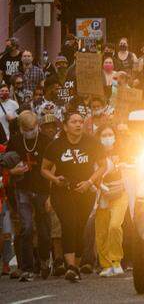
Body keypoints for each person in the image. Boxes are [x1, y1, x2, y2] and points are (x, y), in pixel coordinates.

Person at [41, 110, 106, 282]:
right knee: (69, 223)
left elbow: (103, 166)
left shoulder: (92, 142)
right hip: (62, 191)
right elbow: (44, 169)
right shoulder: (56, 145)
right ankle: (70, 266)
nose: (78, 124)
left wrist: (89, 183)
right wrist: (55, 179)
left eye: (80, 121)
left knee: (79, 226)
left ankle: (74, 267)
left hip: (85, 191)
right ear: (65, 126)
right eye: (74, 122)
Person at [3, 111, 51, 280]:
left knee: (44, 229)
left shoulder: (46, 140)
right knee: (26, 228)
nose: (30, 131)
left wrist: (51, 193)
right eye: (27, 128)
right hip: (22, 188)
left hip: (43, 189)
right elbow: (4, 164)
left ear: (37, 125)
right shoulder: (15, 141)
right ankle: (27, 267)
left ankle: (45, 261)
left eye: (32, 128)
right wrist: (12, 170)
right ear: (21, 128)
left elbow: (54, 165)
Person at [93, 125, 128, 276]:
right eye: (104, 135)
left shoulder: (123, 152)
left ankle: (116, 261)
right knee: (101, 231)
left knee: (114, 226)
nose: (108, 138)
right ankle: (106, 265)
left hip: (120, 193)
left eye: (110, 134)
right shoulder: (93, 155)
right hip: (101, 195)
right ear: (99, 138)